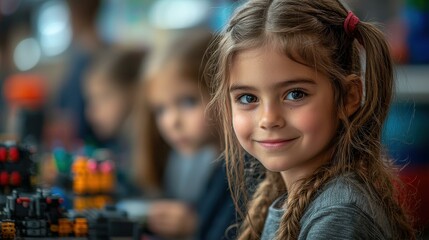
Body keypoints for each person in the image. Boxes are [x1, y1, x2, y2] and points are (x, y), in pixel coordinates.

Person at [206, 0, 415, 239]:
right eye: (247, 98)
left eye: (295, 94)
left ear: (348, 97)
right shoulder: (297, 197)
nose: (268, 119)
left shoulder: (338, 215)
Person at [134, 30, 235, 240]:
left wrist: (194, 227)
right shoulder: (215, 162)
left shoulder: (243, 171)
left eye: (188, 101)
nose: (172, 122)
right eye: (160, 109)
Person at [82, 49, 148, 197]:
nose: (91, 112)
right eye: (91, 100)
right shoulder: (123, 143)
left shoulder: (150, 141)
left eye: (103, 97)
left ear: (134, 91)